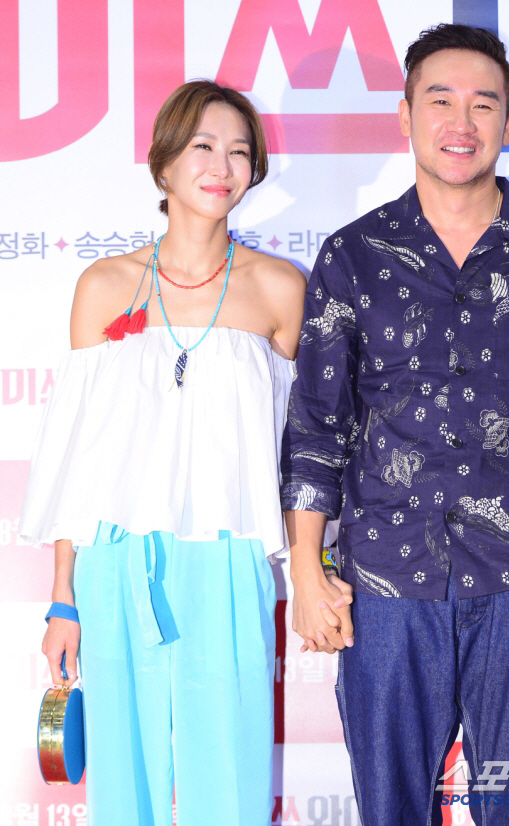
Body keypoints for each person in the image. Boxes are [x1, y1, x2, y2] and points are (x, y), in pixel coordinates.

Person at [281, 24, 509, 826]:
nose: (460, 122)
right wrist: (306, 566)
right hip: (384, 586)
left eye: (483, 103)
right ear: (405, 116)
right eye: (440, 101)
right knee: (390, 811)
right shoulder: (353, 255)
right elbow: (318, 425)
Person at [20, 80, 305, 826]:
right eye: (204, 146)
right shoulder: (104, 285)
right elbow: (79, 454)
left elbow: (303, 445)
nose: (222, 166)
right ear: (165, 164)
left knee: (233, 787)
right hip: (115, 559)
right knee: (125, 788)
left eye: (239, 151)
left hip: (231, 561)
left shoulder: (279, 289)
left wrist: (315, 563)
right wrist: (64, 596)